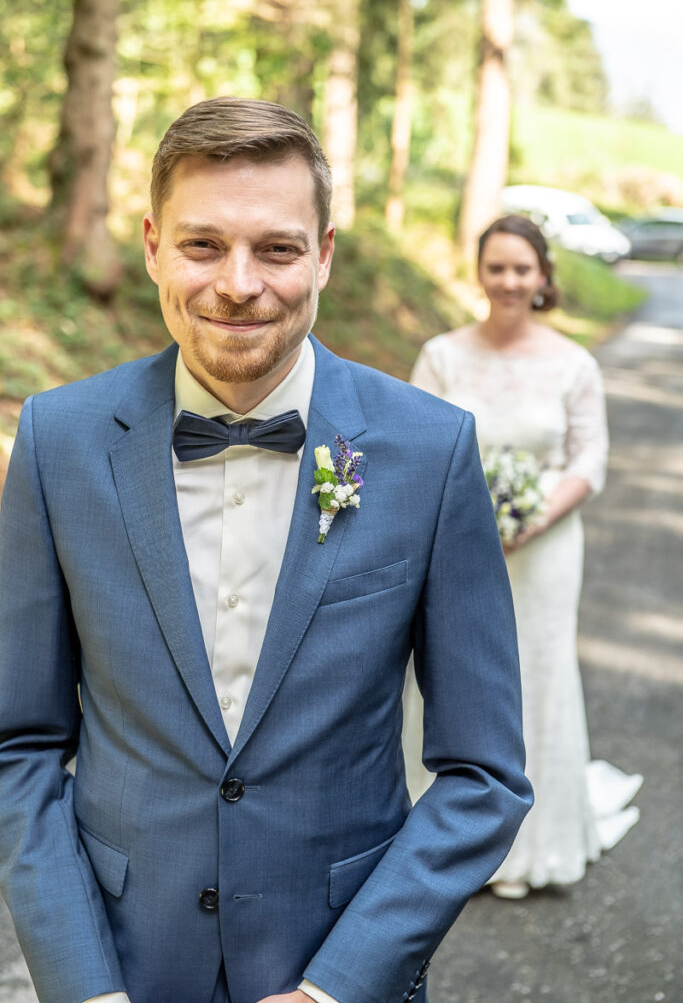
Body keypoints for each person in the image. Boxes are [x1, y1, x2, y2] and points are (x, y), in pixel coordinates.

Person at [0, 99, 532, 1003]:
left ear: (323, 253)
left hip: (339, 962)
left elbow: (483, 776)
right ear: (152, 246)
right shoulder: (58, 441)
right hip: (124, 964)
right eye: (203, 245)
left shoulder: (432, 451)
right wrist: (83, 984)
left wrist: (342, 981)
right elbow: (19, 744)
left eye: (277, 249)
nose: (238, 284)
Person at [408, 214, 642, 899]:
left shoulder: (573, 362)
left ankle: (524, 845)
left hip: (542, 548)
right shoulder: (441, 355)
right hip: (452, 543)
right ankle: (435, 831)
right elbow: (415, 447)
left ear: (542, 277)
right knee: (442, 674)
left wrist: (532, 515)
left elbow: (589, 457)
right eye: (496, 267)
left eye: (521, 268)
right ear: (478, 273)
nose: (508, 281)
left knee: (532, 673)